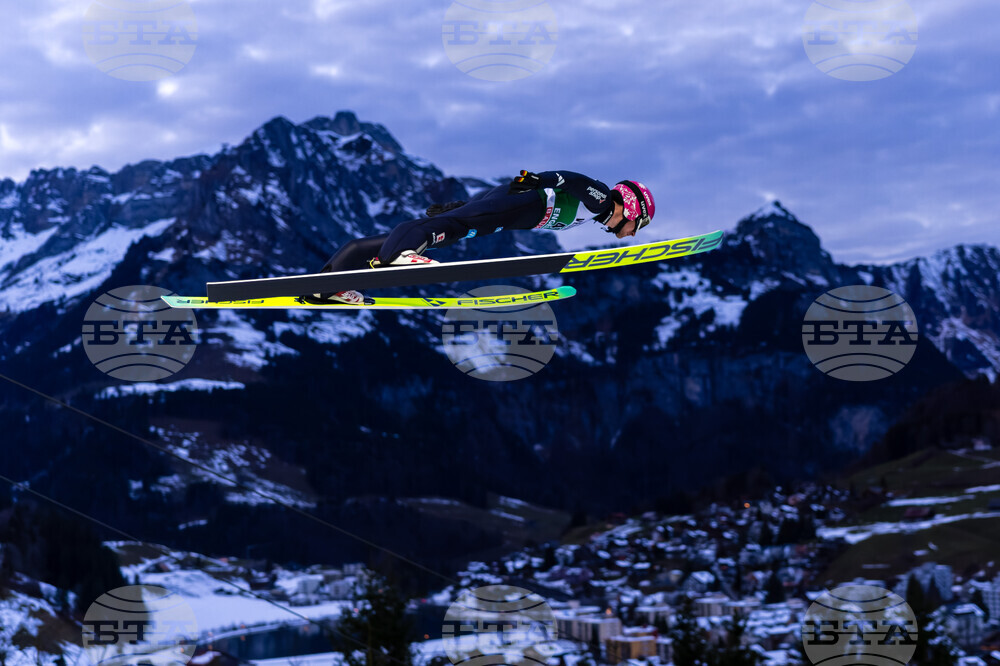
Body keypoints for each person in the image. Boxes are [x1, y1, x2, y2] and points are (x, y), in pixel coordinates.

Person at [313, 170, 655, 303]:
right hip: (520, 203)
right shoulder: (600, 198)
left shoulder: (592, 212)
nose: (629, 234)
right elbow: (572, 180)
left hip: (508, 210)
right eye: (636, 225)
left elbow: (492, 204)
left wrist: (461, 205)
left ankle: (326, 286)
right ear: (630, 207)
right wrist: (539, 180)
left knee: (447, 228)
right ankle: (397, 257)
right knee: (444, 229)